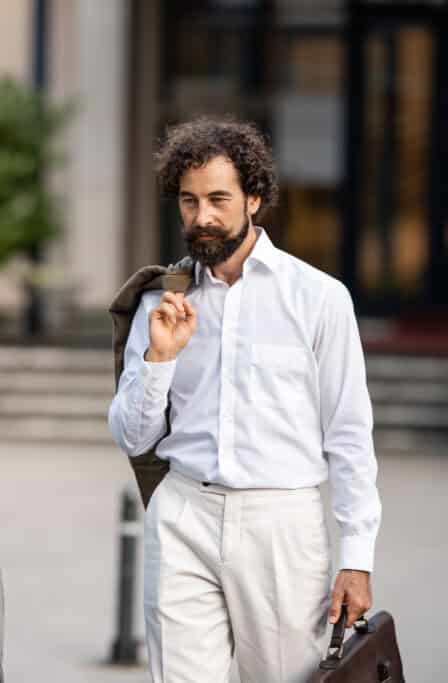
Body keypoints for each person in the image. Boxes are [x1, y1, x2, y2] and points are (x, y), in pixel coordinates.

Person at [108, 117, 381, 682]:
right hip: (182, 513)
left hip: (280, 523)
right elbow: (133, 437)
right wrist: (160, 357)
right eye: (189, 201)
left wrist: (357, 556)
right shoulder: (161, 302)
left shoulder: (318, 298)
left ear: (254, 198)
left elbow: (349, 433)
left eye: (218, 199)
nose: (201, 216)